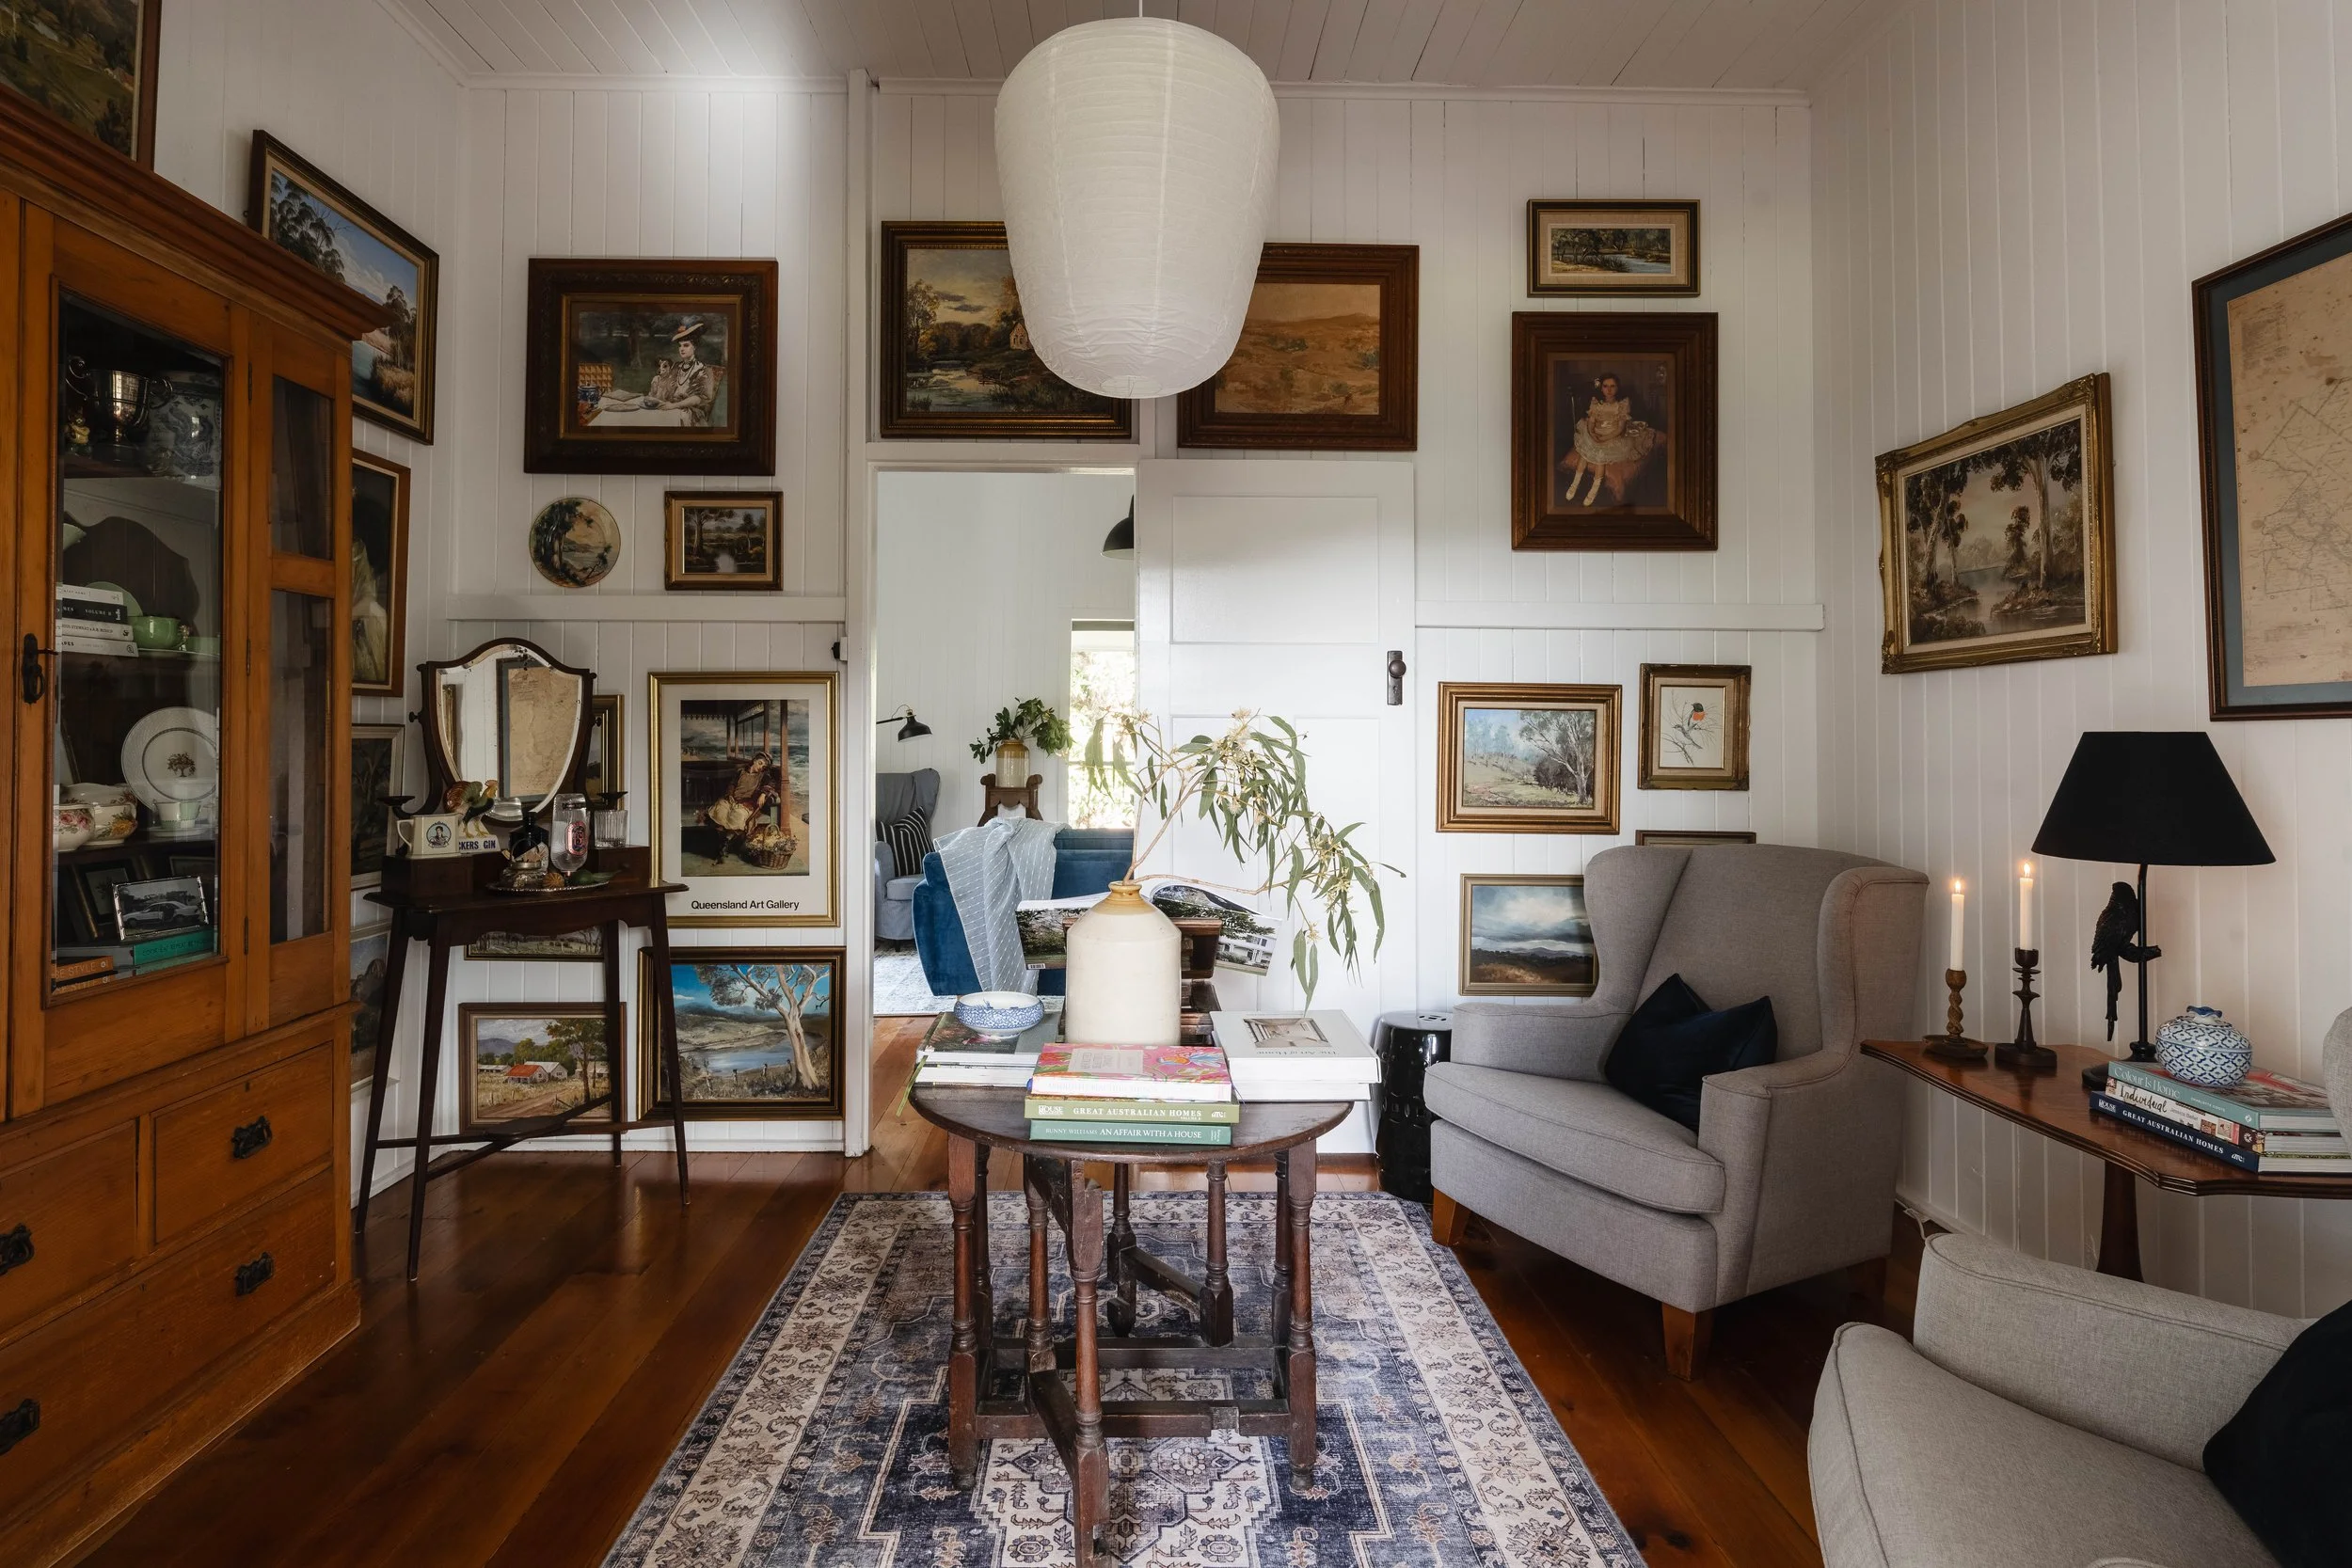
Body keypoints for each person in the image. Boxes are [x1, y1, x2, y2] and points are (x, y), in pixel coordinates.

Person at [650, 320, 718, 426]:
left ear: (694, 347)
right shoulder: (676, 366)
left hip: (691, 412)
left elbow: (698, 398)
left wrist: (674, 406)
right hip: (672, 407)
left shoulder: (704, 370)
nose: (681, 349)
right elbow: (667, 388)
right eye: (680, 346)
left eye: (686, 345)